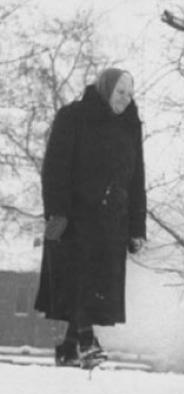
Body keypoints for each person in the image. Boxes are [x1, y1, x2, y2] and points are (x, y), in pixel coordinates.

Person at [35, 68, 147, 368]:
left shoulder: (130, 125)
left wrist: (137, 227)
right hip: (75, 216)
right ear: (105, 89)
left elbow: (136, 179)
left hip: (113, 221)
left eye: (129, 93)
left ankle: (69, 348)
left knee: (96, 283)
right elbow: (55, 168)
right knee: (79, 278)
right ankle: (86, 341)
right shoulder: (73, 117)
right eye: (120, 92)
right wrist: (56, 213)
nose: (125, 99)